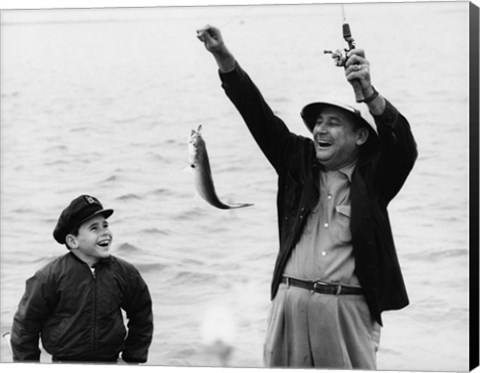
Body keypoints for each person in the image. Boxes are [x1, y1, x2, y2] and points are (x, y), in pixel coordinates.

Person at [197, 25, 417, 369]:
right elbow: (257, 114)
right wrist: (223, 56)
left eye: (332, 123)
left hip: (347, 312)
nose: (319, 130)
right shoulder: (295, 161)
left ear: (360, 136)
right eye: (317, 122)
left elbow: (402, 146)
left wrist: (370, 94)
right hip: (288, 306)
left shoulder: (375, 178)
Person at [10, 195, 154, 363]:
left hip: (110, 362)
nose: (105, 232)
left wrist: (131, 358)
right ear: (72, 241)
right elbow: (26, 325)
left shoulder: (125, 273)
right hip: (64, 363)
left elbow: (142, 315)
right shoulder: (49, 277)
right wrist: (29, 366)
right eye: (94, 228)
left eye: (105, 225)